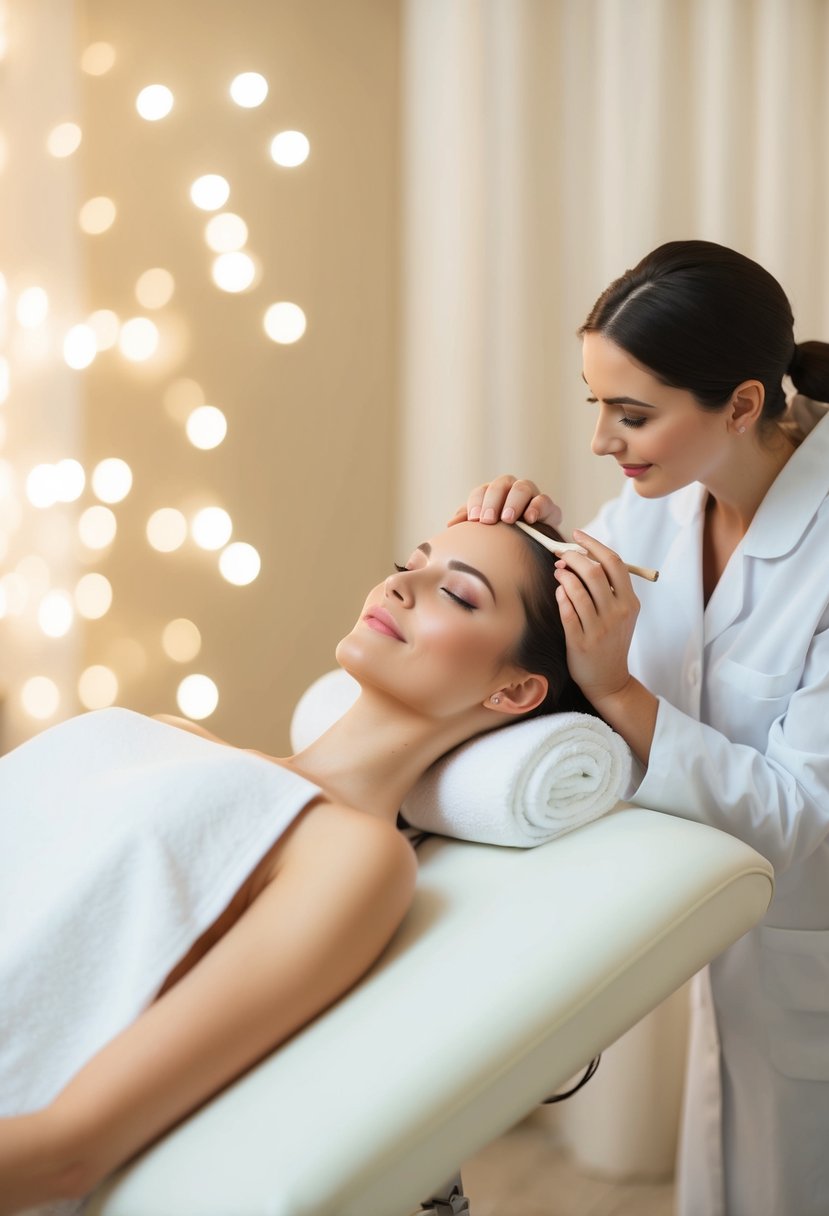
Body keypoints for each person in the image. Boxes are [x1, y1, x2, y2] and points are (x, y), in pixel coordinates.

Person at [0, 516, 591, 1216]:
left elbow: (67, 1151)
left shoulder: (352, 854)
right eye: (412, 561)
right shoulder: (173, 733)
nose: (401, 583)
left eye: (458, 595)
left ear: (515, 692)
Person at [453, 240, 829, 1216]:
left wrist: (622, 693)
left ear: (741, 405)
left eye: (632, 414)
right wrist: (523, 540)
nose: (601, 443)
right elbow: (549, 645)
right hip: (735, 941)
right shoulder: (657, 507)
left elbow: (803, 818)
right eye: (595, 406)